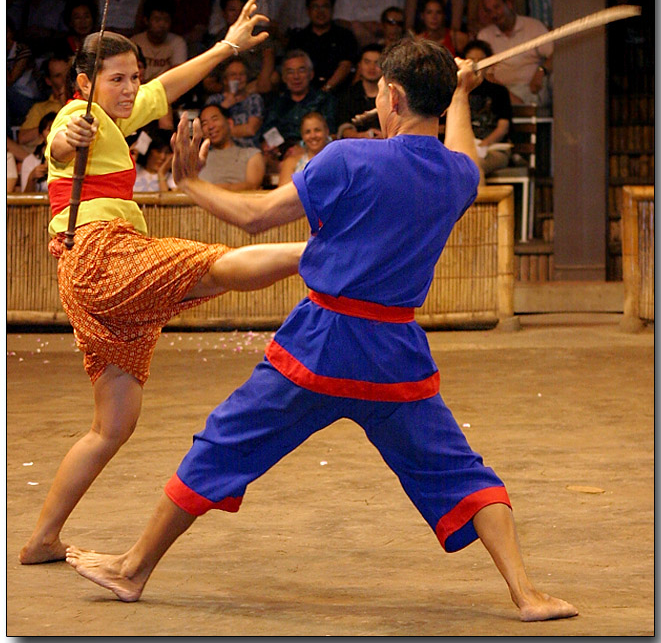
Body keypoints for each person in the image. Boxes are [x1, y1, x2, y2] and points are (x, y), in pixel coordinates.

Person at [64, 37, 578, 624]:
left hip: (321, 343)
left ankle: (132, 570)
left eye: (382, 89)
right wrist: (459, 96)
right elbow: (462, 150)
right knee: (457, 470)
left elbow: (255, 216)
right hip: (395, 355)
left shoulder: (347, 158)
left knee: (224, 444)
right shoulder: (458, 177)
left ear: (393, 96)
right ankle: (526, 593)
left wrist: (190, 183)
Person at [18, 0, 306, 566]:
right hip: (103, 256)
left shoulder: (112, 116)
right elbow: (58, 140)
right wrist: (65, 136)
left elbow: (166, 88)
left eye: (134, 78)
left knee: (113, 425)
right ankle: (326, 251)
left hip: (83, 277)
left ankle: (42, 539)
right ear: (84, 83)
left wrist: (227, 46)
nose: (130, 89)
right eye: (116, 79)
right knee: (209, 267)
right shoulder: (81, 118)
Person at [477, 0, 553, 106]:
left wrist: (541, 71)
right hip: (500, 92)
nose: (494, 14)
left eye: (497, 7)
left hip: (530, 89)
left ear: (509, 4)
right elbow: (482, 71)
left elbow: (555, 55)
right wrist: (504, 93)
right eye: (489, 11)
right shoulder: (484, 36)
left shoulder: (533, 26)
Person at [286, 0, 358, 94]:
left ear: (332, 10)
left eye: (325, 6)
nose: (320, 12)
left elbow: (346, 66)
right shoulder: (298, 38)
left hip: (337, 92)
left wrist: (324, 91)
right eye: (315, 7)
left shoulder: (345, 35)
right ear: (308, 11)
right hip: (304, 93)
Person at [205, 0, 276, 97]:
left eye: (242, 10)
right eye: (232, 10)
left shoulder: (260, 34)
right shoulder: (218, 40)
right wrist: (232, 89)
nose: (238, 14)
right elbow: (209, 81)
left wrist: (258, 83)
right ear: (224, 14)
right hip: (229, 89)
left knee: (274, 77)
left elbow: (268, 58)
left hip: (256, 84)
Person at [261, 49, 337, 149]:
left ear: (311, 74)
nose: (296, 76)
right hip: (283, 154)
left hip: (316, 151)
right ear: (283, 78)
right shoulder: (277, 103)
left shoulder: (324, 100)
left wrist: (301, 148)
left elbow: (331, 133)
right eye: (290, 72)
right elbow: (268, 131)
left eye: (301, 71)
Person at [461, 39, 513, 174]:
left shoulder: (498, 92)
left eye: (481, 60)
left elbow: (503, 128)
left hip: (494, 149)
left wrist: (482, 146)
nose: (476, 65)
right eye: (471, 60)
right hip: (461, 150)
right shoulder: (456, 91)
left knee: (474, 166)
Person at [197, 104, 265, 191]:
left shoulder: (251, 155)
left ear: (230, 123)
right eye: (204, 123)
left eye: (215, 119)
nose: (210, 126)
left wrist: (208, 191)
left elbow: (252, 186)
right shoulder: (198, 160)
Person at [205, 58, 264, 149]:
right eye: (233, 75)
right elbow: (208, 131)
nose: (238, 78)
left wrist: (221, 133)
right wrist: (225, 105)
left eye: (242, 74)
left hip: (248, 151)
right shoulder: (214, 101)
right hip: (219, 152)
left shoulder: (254, 99)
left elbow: (250, 130)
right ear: (225, 80)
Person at [131, 0, 187, 83]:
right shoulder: (135, 42)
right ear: (146, 21)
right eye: (157, 20)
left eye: (166, 20)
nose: (162, 24)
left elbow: (177, 75)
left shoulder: (178, 42)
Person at [18, 55, 70, 147]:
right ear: (48, 81)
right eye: (58, 75)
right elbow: (22, 138)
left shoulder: (81, 101)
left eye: (67, 74)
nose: (64, 79)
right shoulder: (39, 108)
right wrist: (50, 125)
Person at [335, 44, 383, 139]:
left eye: (377, 63)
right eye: (367, 62)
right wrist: (362, 136)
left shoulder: (393, 95)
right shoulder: (348, 95)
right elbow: (344, 128)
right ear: (359, 66)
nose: (372, 67)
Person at [277, 111, 331, 186]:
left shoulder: (339, 161)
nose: (313, 136)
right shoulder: (290, 163)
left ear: (326, 132)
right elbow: (282, 194)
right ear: (302, 135)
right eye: (307, 132)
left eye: (317, 130)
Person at [21, 112, 56, 193]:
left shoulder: (71, 158)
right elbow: (24, 200)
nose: (53, 133)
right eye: (49, 129)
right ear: (41, 135)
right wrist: (31, 178)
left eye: (56, 128)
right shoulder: (29, 161)